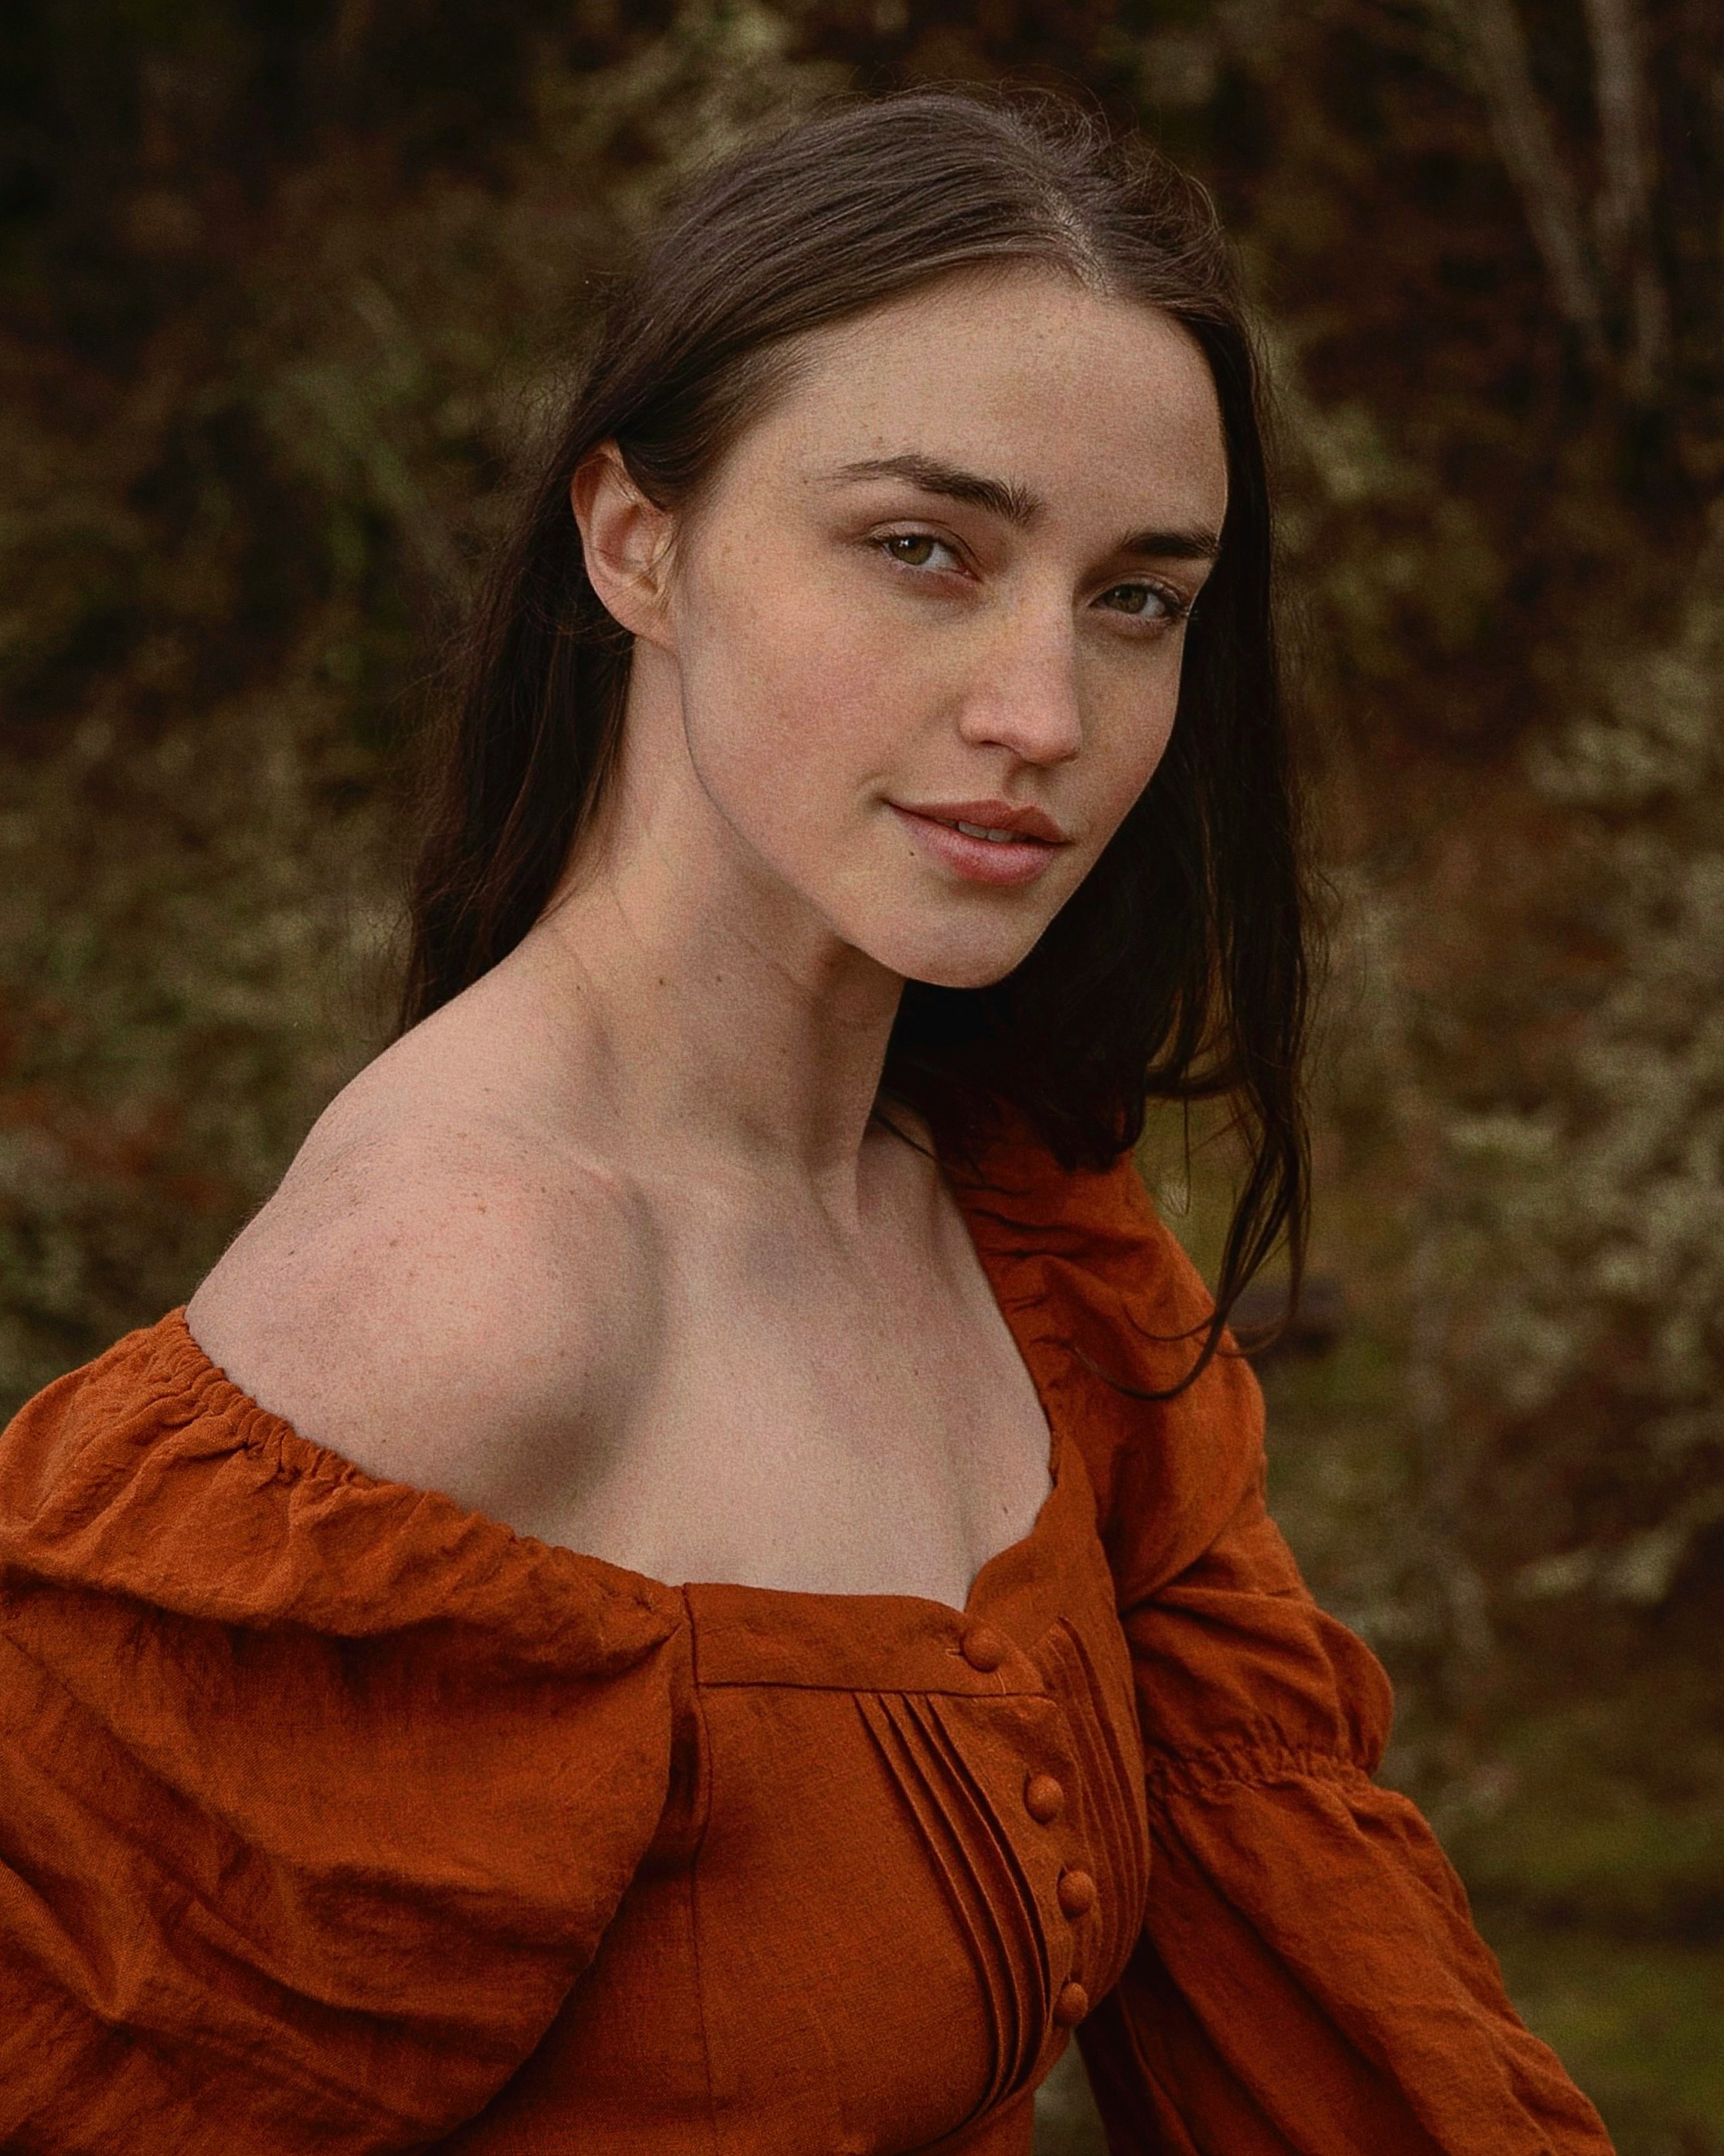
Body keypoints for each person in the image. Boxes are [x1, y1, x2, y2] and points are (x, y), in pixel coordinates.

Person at [0, 88, 1612, 2156]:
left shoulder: (1015, 1214)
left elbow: (1325, 1966)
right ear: (634, 541)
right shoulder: (460, 1303)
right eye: (923, 549)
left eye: (1137, 597)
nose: (1045, 713)